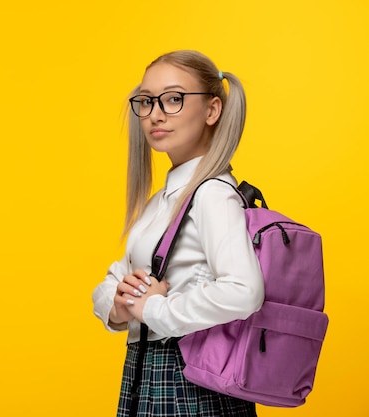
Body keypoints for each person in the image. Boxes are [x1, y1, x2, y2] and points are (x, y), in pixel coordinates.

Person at [92, 50, 265, 417]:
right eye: (146, 100)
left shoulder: (212, 194)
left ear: (212, 111)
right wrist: (120, 305)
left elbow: (245, 291)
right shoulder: (164, 199)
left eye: (173, 99)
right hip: (148, 370)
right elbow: (114, 278)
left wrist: (155, 308)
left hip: (188, 377)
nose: (156, 114)